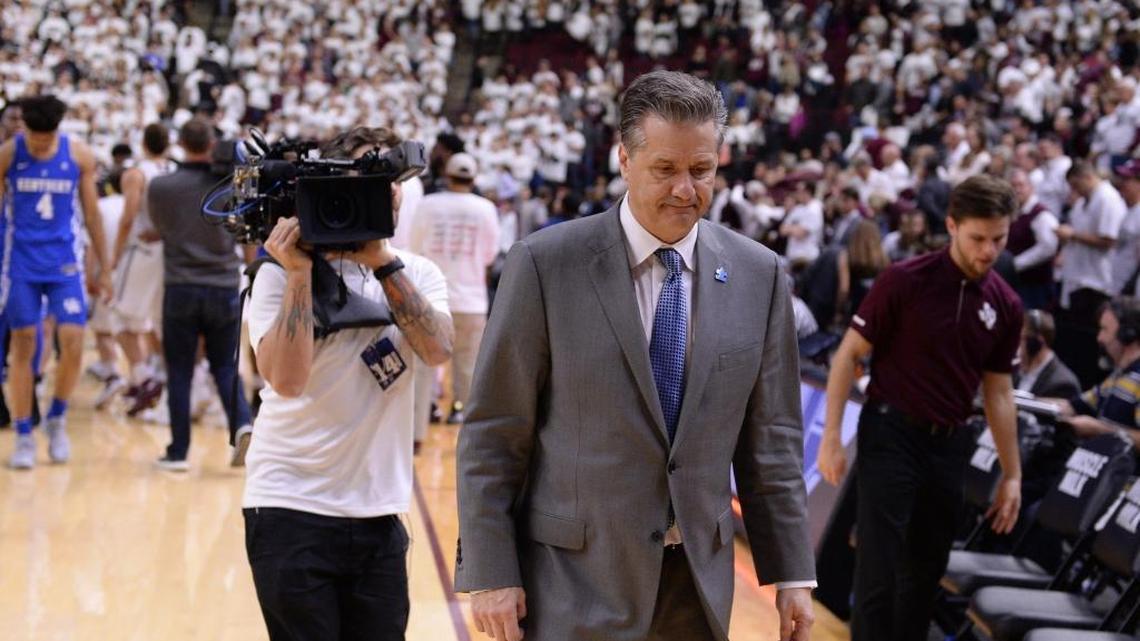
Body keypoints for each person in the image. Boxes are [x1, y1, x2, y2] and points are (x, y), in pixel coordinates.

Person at [455, 70, 815, 641]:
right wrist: (491, 571)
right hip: (572, 580)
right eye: (665, 169)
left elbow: (771, 440)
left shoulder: (760, 274)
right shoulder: (545, 264)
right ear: (624, 160)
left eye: (701, 170)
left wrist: (793, 571)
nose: (685, 189)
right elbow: (495, 432)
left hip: (697, 583)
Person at [243, 126, 453, 641]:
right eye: (370, 177)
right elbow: (287, 382)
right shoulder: (275, 275)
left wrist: (381, 262)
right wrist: (296, 274)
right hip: (289, 505)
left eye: (392, 178)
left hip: (380, 510)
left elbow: (437, 350)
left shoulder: (416, 273)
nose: (388, 190)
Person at [818, 174, 1025, 641]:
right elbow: (848, 355)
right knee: (879, 568)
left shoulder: (1007, 305)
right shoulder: (904, 280)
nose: (988, 251)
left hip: (951, 443)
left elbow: (999, 393)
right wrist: (831, 436)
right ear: (952, 226)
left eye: (999, 239)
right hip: (891, 433)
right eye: (978, 238)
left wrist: (1012, 475)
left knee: (925, 573)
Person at [0, 95, 113, 469]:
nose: (41, 146)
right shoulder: (7, 155)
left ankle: (57, 418)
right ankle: (22, 434)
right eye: (35, 139)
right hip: (20, 265)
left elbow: (93, 216)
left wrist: (106, 269)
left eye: (47, 140)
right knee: (24, 343)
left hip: (65, 263)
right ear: (25, 129)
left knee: (74, 340)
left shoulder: (79, 157)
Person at [147, 118, 253, 470]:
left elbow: (159, 229)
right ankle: (241, 425)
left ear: (180, 142)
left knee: (179, 370)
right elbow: (245, 232)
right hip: (223, 285)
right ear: (212, 144)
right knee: (225, 366)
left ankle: (178, 452)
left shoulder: (161, 186)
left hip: (180, 286)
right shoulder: (228, 185)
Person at [410, 152, 499, 424]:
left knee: (425, 361)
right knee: (467, 362)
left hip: (431, 297)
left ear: (447, 175)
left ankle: (427, 409)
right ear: (473, 178)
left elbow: (416, 247)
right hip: (471, 299)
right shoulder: (485, 208)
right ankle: (460, 409)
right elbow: (490, 255)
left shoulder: (428, 204)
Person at [109, 123, 174, 415]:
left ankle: (144, 378)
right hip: (171, 253)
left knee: (119, 320)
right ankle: (165, 379)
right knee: (159, 323)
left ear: (143, 145)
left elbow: (128, 216)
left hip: (142, 250)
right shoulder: (174, 170)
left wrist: (113, 256)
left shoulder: (136, 173)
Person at [1056, 160, 1127, 389]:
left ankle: (1093, 387)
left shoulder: (1107, 198)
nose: (1074, 190)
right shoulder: (1084, 201)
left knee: (1092, 345)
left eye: (1076, 184)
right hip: (1079, 278)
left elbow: (1109, 239)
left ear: (1086, 176)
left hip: (1098, 282)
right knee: (1078, 343)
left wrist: (1073, 234)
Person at [1044, 297, 1140, 443]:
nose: (1099, 338)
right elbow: (1072, 406)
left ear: (1127, 335)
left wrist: (1100, 430)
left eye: (1104, 330)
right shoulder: (1118, 376)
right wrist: (1017, 401)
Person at [1008, 169, 1059, 310]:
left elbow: (1048, 247)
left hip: (1036, 286)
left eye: (1021, 185)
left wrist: (1015, 264)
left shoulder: (1041, 215)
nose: (1017, 190)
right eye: (1013, 186)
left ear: (1031, 187)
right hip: (1020, 282)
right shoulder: (1016, 212)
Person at [1016, 309, 1081, 399]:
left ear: (1036, 343)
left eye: (1021, 339)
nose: (1016, 346)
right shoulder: (1014, 372)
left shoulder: (1063, 384)